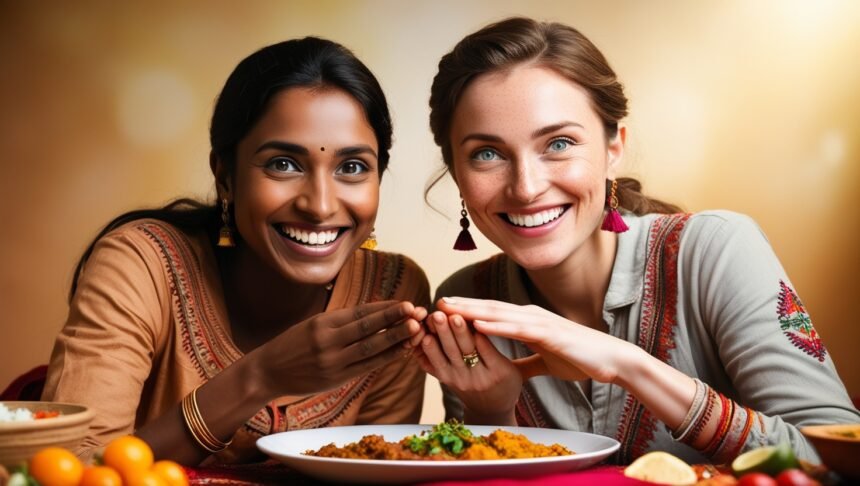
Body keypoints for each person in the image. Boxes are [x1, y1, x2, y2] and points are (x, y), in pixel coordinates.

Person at [416, 17, 860, 465]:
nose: (526, 187)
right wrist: (490, 410)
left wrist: (629, 366)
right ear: (457, 172)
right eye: (486, 154)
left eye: (559, 143)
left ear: (613, 149)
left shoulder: (717, 250)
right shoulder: (463, 300)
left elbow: (841, 459)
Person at [42, 37, 430, 465]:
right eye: (284, 163)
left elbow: (380, 472)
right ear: (225, 177)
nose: (320, 206)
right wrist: (260, 377)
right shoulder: (143, 263)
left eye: (352, 167)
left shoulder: (393, 293)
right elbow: (70, 470)